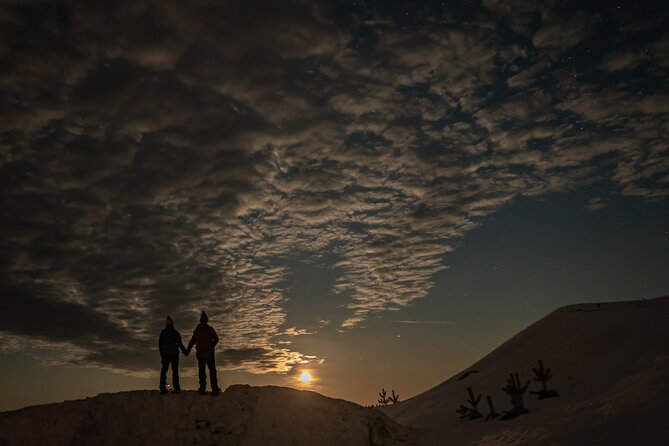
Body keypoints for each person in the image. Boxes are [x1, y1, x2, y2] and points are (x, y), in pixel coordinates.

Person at [186, 311, 220, 395]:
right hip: (209, 353)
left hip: (200, 354)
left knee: (202, 372)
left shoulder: (197, 330)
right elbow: (216, 339)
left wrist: (187, 351)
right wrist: (211, 346)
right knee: (212, 371)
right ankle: (214, 389)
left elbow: (192, 341)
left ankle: (202, 389)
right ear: (207, 320)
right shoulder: (210, 329)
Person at [158, 316, 188, 394]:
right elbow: (179, 343)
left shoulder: (163, 333)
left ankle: (162, 388)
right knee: (175, 371)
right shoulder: (175, 333)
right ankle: (176, 388)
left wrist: (162, 354)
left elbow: (160, 344)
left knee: (164, 371)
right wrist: (185, 351)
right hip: (174, 354)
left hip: (165, 355)